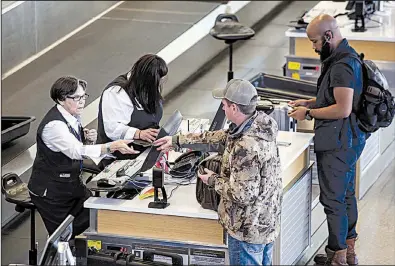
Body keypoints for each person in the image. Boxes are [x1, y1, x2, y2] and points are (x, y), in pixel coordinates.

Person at [154, 79, 282, 266]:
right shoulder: (257, 126)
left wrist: (212, 180)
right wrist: (177, 140)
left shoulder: (246, 146)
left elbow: (242, 194)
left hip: (246, 229)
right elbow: (216, 138)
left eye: (224, 105)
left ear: (235, 109)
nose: (222, 109)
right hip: (265, 221)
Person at [288, 14, 367, 265]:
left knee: (333, 200)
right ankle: (348, 251)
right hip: (349, 139)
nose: (313, 47)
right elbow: (337, 98)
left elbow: (342, 109)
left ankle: (337, 257)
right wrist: (309, 102)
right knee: (345, 195)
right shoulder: (342, 56)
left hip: (338, 142)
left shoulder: (342, 65)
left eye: (315, 41)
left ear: (329, 36)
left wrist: (308, 113)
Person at [28, 76, 138, 237]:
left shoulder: (71, 115)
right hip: (52, 192)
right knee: (64, 236)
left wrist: (86, 138)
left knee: (96, 213)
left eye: (83, 96)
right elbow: (75, 151)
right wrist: (109, 146)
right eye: (76, 98)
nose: (82, 101)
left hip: (71, 185)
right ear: (61, 99)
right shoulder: (54, 126)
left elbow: (71, 144)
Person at [97, 54, 168, 168]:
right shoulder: (116, 92)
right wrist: (138, 133)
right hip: (120, 155)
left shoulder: (149, 86)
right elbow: (112, 128)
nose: (160, 84)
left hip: (145, 147)